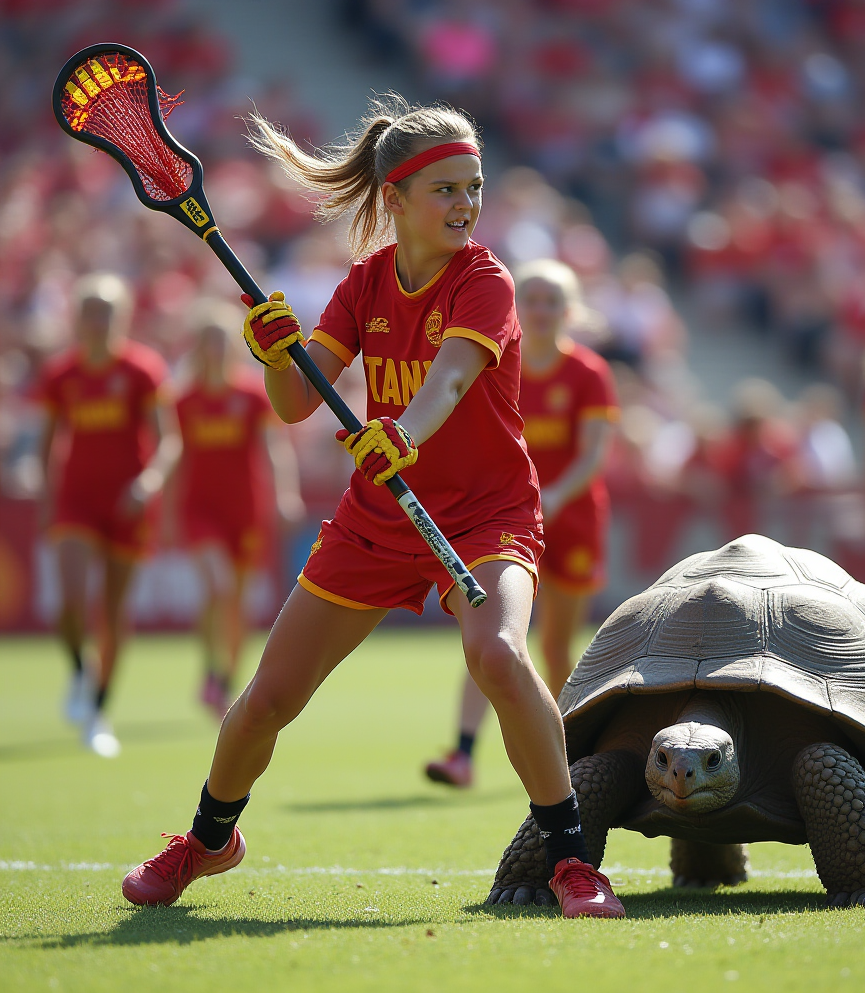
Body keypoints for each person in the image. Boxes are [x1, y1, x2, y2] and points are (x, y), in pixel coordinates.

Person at [121, 98, 625, 918]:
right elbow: (292, 402)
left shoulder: (487, 281)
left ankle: (572, 862)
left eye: (475, 188)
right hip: (377, 519)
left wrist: (403, 435)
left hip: (485, 513)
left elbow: (452, 380)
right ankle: (209, 841)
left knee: (498, 654)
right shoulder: (363, 285)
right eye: (446, 191)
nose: (466, 205)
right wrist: (273, 349)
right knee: (268, 701)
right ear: (395, 198)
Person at [425, 259, 618, 788]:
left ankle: (569, 749)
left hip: (570, 518)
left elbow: (593, 454)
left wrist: (553, 495)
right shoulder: (491, 362)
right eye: (530, 298)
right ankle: (462, 753)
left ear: (568, 309)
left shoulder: (589, 374)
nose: (539, 309)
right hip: (503, 519)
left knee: (556, 645)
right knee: (491, 636)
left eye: (551, 300)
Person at [35, 273, 179, 757]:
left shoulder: (142, 369)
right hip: (76, 499)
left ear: (122, 318)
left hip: (128, 502)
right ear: (77, 318)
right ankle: (80, 669)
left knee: (114, 613)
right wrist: (44, 497)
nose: (97, 322)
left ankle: (98, 711)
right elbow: (48, 443)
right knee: (70, 602)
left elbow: (168, 441)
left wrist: (149, 482)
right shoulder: (62, 375)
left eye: (106, 312)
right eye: (89, 312)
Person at [175, 300, 305, 719]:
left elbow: (273, 449)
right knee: (220, 586)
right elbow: (176, 458)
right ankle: (212, 671)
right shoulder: (184, 400)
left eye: (221, 340)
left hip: (246, 509)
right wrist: (166, 511)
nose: (214, 348)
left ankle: (226, 677)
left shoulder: (251, 394)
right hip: (201, 509)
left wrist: (285, 495)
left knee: (236, 602)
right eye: (207, 340)